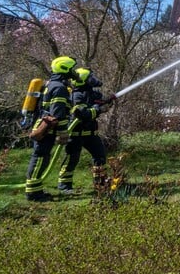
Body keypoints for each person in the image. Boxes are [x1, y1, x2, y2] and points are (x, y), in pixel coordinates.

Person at [24, 56, 77, 202]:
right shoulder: (59, 88)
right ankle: (33, 193)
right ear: (65, 69)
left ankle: (36, 190)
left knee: (41, 157)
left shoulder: (51, 84)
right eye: (71, 69)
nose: (73, 72)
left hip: (44, 127)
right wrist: (62, 133)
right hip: (47, 130)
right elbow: (58, 114)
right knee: (40, 158)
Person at [57, 67, 115, 194]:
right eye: (90, 77)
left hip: (91, 134)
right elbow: (82, 113)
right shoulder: (76, 95)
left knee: (100, 157)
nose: (93, 79)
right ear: (84, 80)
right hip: (76, 134)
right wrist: (98, 109)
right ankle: (64, 185)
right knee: (72, 159)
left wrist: (107, 102)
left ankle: (100, 183)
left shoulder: (92, 93)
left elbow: (99, 101)